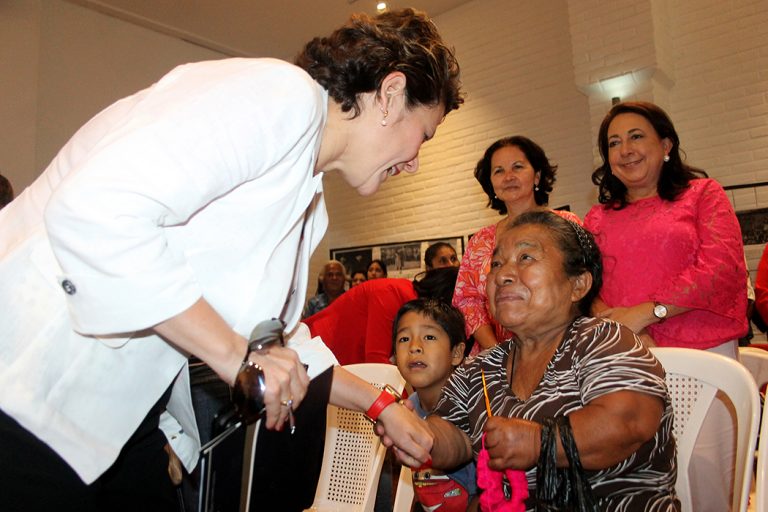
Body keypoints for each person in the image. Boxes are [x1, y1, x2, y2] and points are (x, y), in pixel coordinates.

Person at [0, 8, 462, 510]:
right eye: (425, 134)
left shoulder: (306, 195)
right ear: (390, 94)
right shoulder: (281, 95)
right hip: (28, 378)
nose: (415, 163)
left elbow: (275, 343)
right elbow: (96, 209)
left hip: (114, 417)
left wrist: (380, 405)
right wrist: (234, 356)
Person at [424, 211, 678, 511]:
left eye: (526, 258)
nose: (502, 275)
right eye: (497, 264)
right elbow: (454, 437)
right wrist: (416, 435)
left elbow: (628, 422)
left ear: (578, 285)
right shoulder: (481, 367)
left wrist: (539, 442)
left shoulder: (603, 339)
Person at [584, 101, 747, 512]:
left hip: (703, 355)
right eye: (613, 143)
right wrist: (616, 324)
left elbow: (721, 267)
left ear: (667, 144)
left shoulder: (702, 195)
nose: (625, 150)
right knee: (634, 477)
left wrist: (648, 312)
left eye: (636, 136)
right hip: (629, 361)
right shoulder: (598, 217)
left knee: (701, 474)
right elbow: (583, 282)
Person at [453, 136, 581, 356]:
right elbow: (467, 301)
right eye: (499, 171)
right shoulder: (480, 241)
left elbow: (586, 283)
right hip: (495, 355)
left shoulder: (567, 225)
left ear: (537, 175)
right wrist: (497, 351)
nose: (508, 177)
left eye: (518, 167)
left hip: (563, 348)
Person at [393, 298, 477, 512]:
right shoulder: (407, 409)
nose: (414, 347)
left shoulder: (472, 409)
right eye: (404, 339)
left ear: (456, 353)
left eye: (429, 337)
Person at [304, 266, 459, 366]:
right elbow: (376, 360)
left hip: (331, 360)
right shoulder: (393, 293)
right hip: (314, 355)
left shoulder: (406, 298)